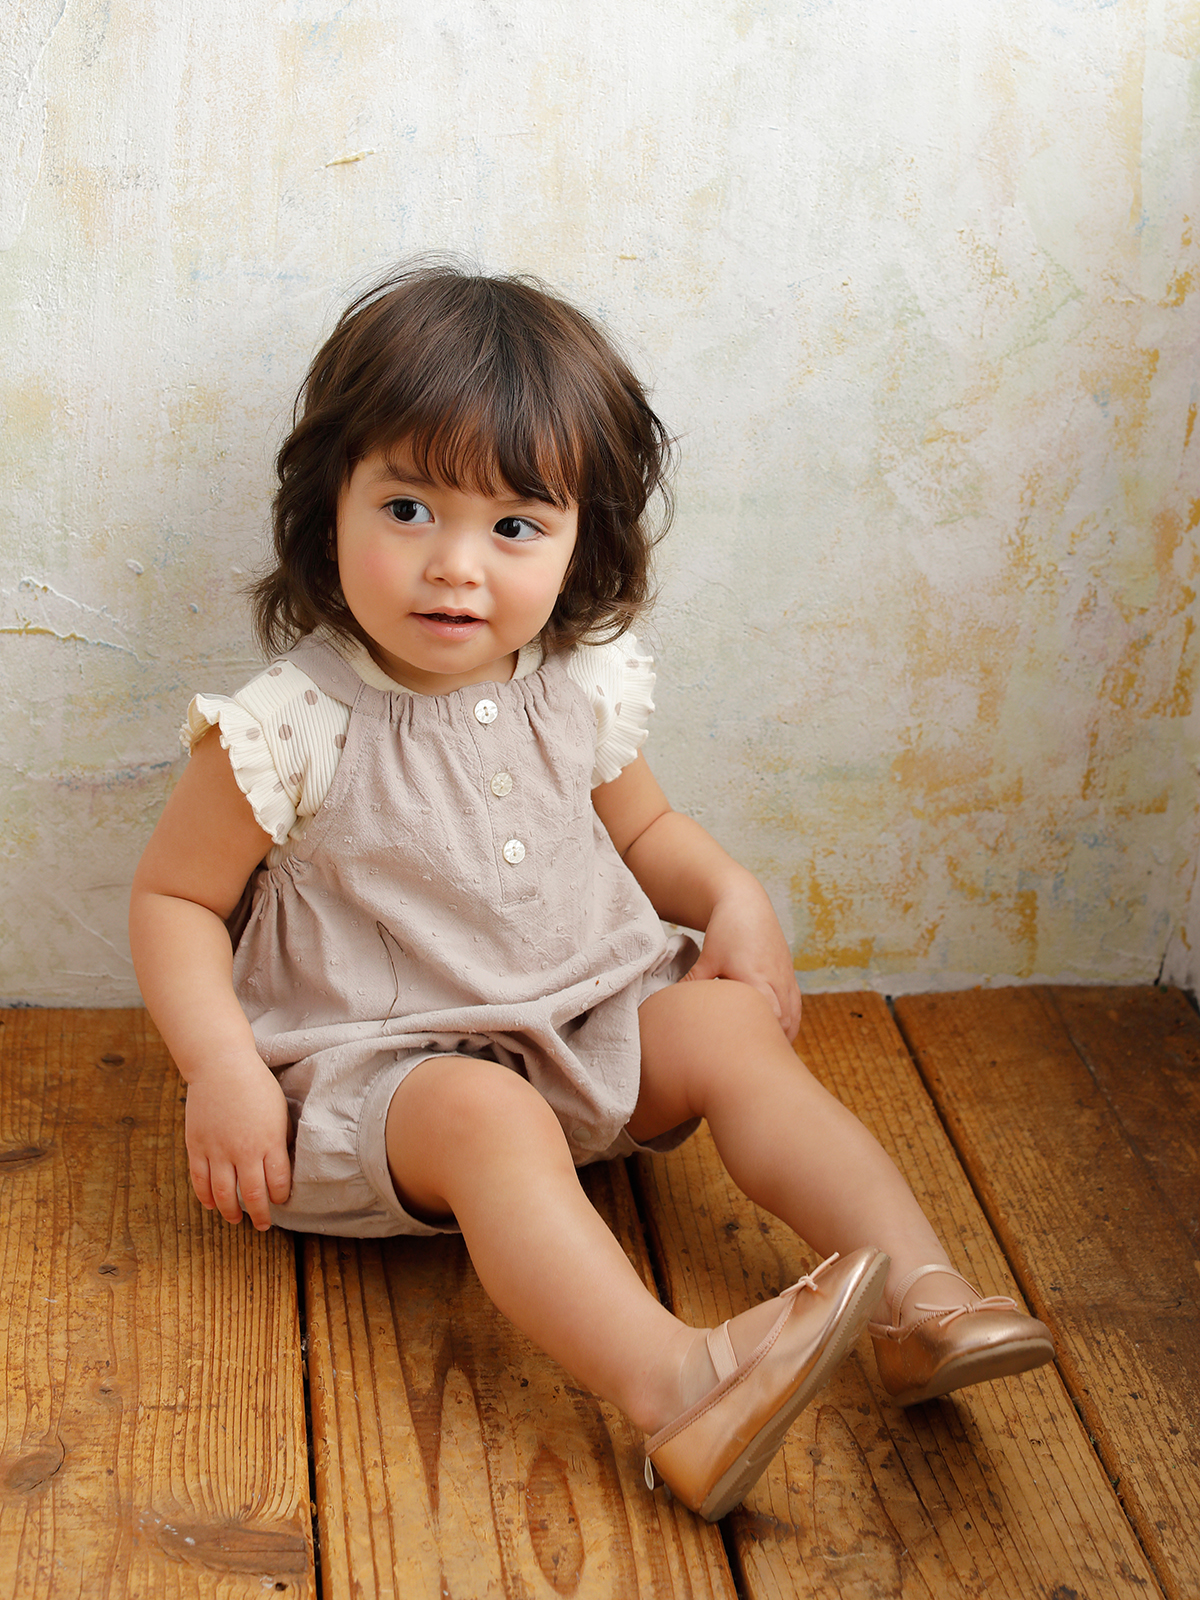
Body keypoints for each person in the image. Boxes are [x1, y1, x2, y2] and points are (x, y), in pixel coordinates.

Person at [129, 263, 1053, 1521]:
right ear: (326, 503)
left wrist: (732, 896)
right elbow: (177, 901)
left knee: (725, 1024)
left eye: (514, 526)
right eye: (408, 507)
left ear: (581, 542)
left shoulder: (576, 681)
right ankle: (678, 1386)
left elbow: (649, 828)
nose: (455, 566)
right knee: (488, 1115)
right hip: (383, 1079)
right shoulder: (289, 724)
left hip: (580, 1026)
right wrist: (221, 1069)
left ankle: (918, 1300)